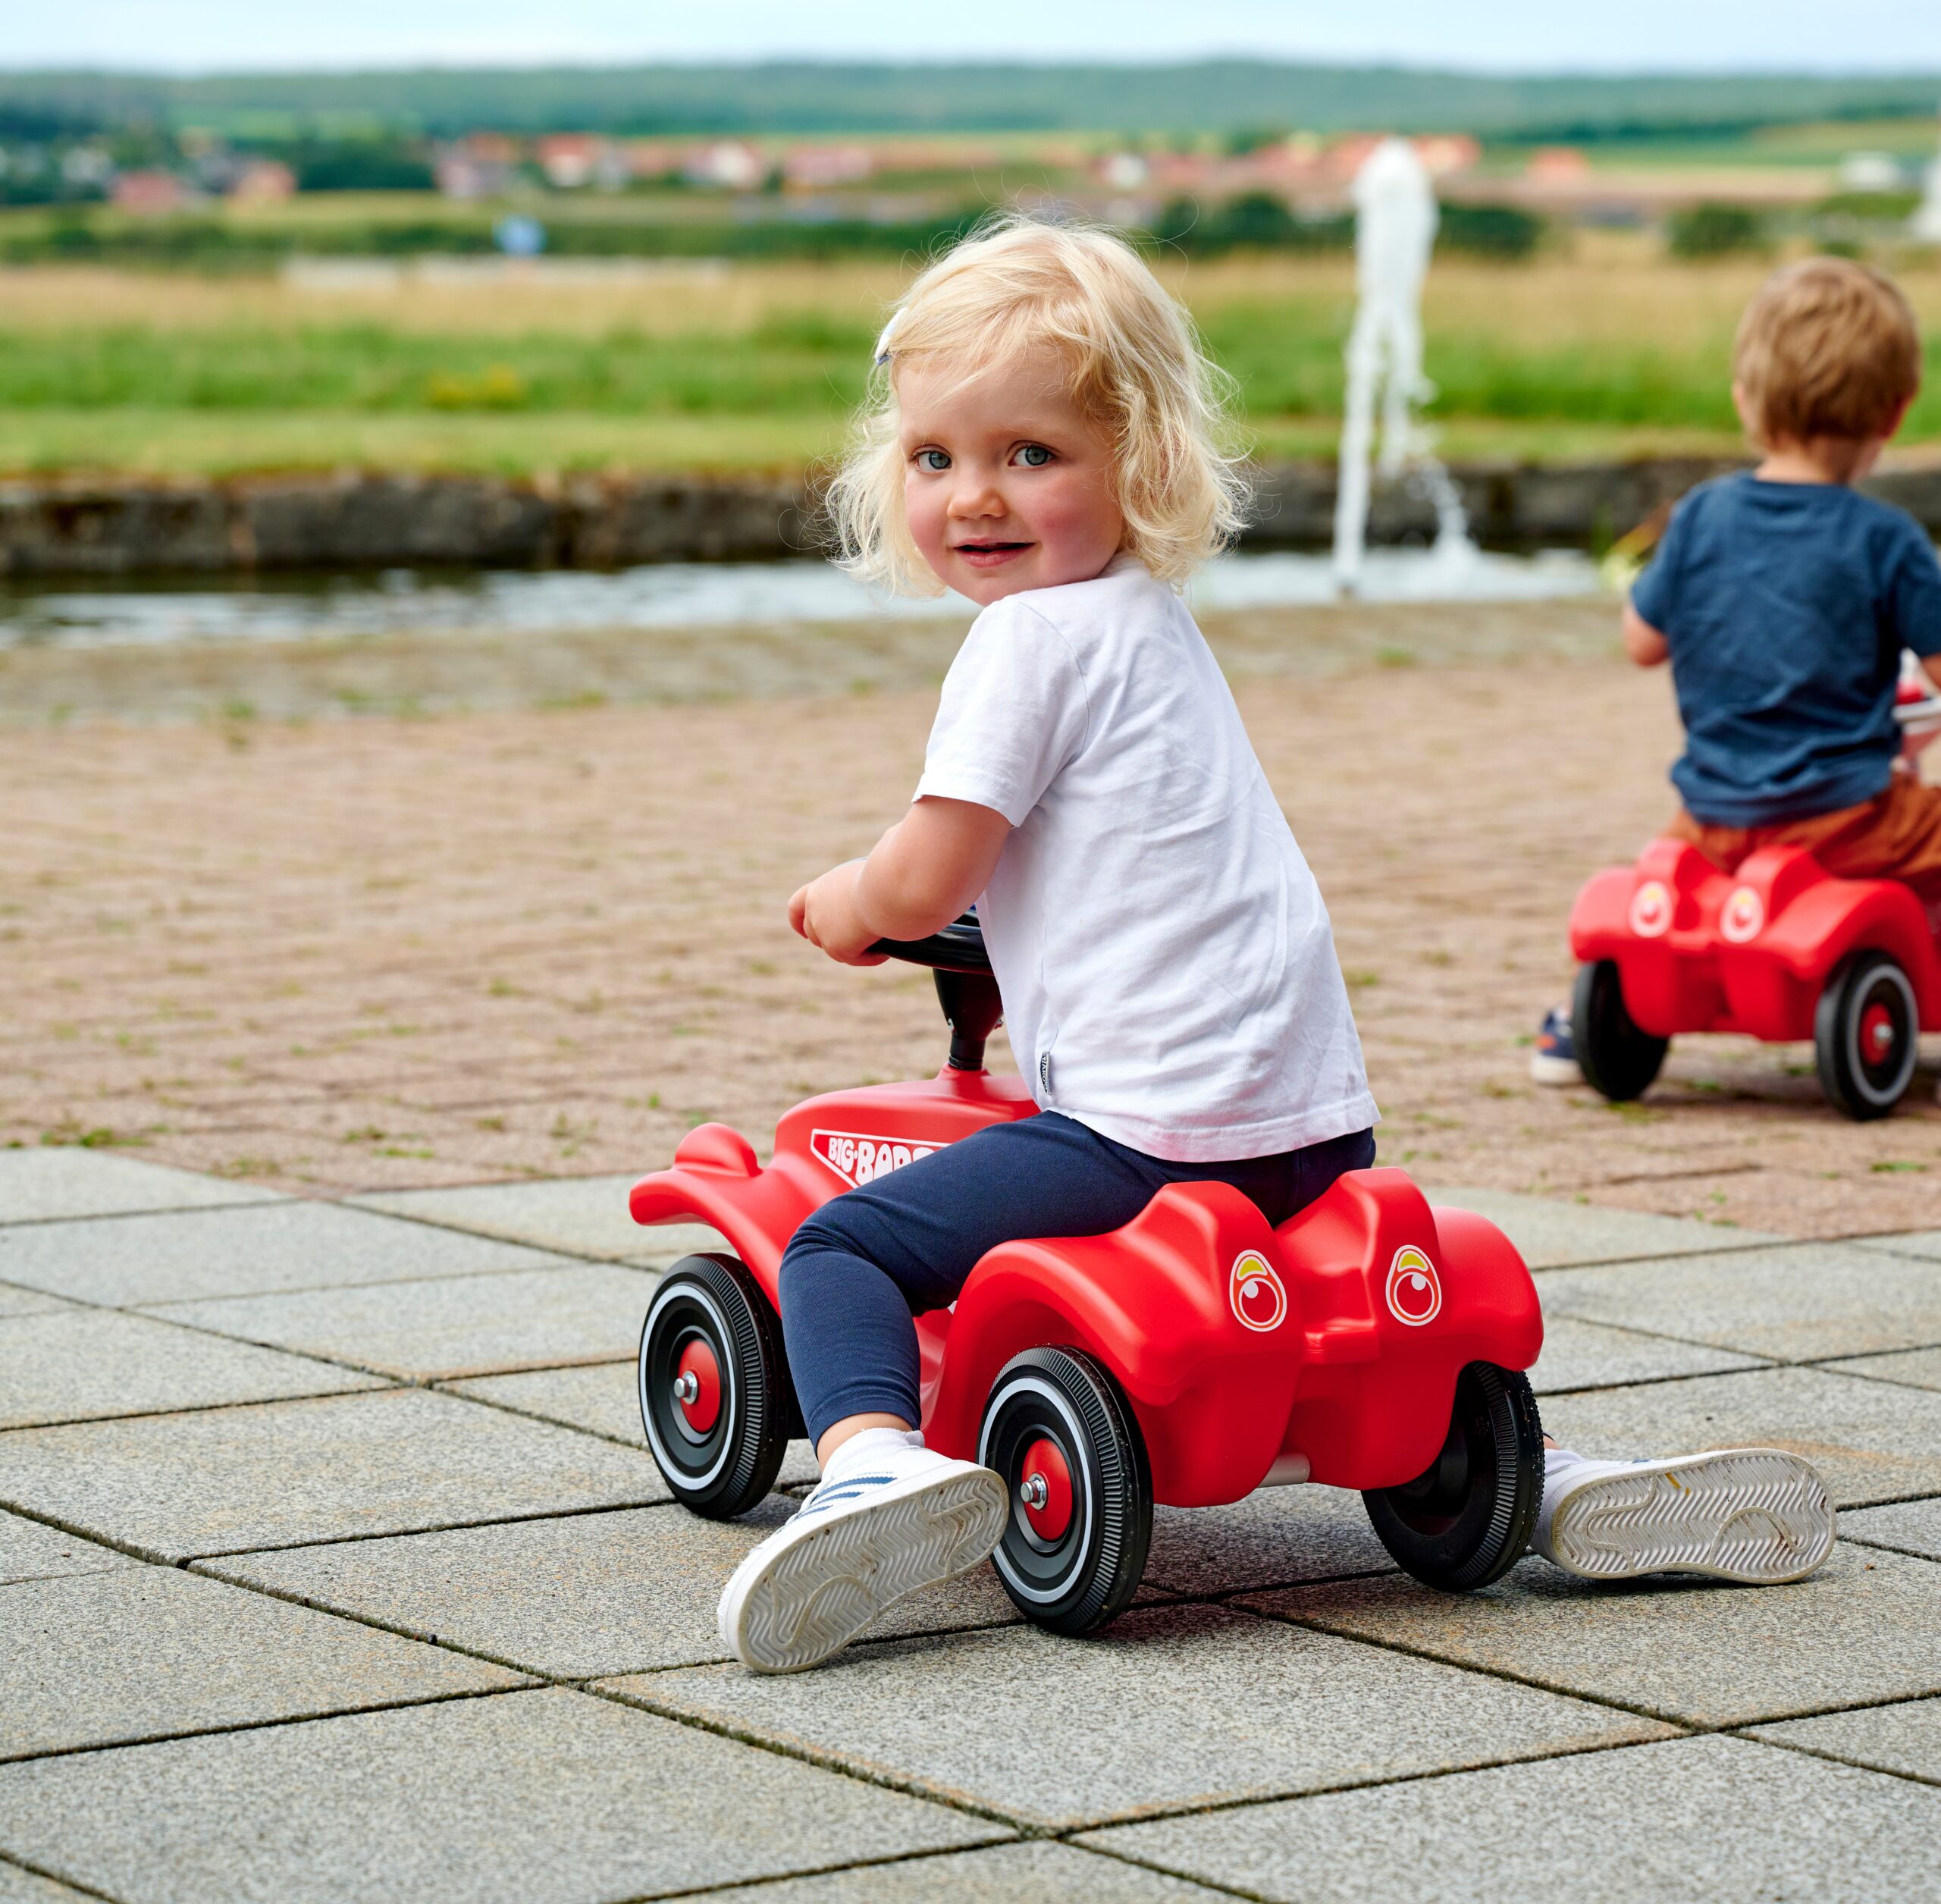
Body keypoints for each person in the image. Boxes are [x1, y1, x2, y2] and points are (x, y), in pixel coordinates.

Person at [719, 218, 1830, 1676]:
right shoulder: (1151, 626)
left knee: (839, 1243)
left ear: (1141, 463)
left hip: (1140, 1130)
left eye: (1029, 455)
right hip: (1313, 1129)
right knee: (1341, 1319)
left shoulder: (1023, 643)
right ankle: (1520, 1477)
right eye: (936, 458)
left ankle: (874, 1466)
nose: (974, 496)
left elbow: (930, 880)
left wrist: (850, 903)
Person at [1534, 256, 1941, 1086]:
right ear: (1894, 413)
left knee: (1659, 880)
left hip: (1713, 816)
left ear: (1745, 399)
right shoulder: (1887, 540)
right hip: (1846, 814)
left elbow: (1641, 643)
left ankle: (1584, 1026)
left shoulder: (1700, 517)